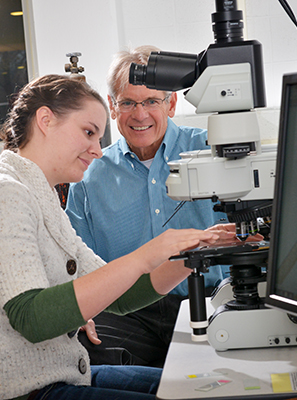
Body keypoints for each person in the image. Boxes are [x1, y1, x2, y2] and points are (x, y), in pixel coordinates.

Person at [0, 75, 235, 400]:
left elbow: (121, 297)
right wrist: (147, 253)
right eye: (88, 133)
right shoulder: (3, 194)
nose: (98, 151)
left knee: (196, 390)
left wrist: (199, 251)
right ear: (46, 120)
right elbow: (32, 318)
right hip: (20, 392)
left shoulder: (42, 199)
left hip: (58, 374)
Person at [65, 45, 234, 367]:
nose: (139, 114)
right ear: (112, 107)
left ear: (171, 104)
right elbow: (74, 261)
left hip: (208, 299)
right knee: (87, 354)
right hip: (129, 312)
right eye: (128, 102)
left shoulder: (212, 150)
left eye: (151, 102)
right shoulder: (88, 175)